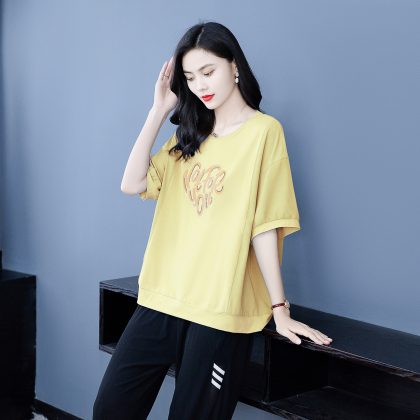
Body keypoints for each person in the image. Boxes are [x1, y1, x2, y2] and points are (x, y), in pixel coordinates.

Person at [93, 21, 333, 420]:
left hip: (220, 309)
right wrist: (158, 111)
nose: (200, 85)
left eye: (208, 71)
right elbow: (131, 183)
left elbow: (265, 224)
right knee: (110, 410)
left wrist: (279, 308)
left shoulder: (264, 133)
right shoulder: (188, 134)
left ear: (234, 65)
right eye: (190, 77)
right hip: (163, 296)